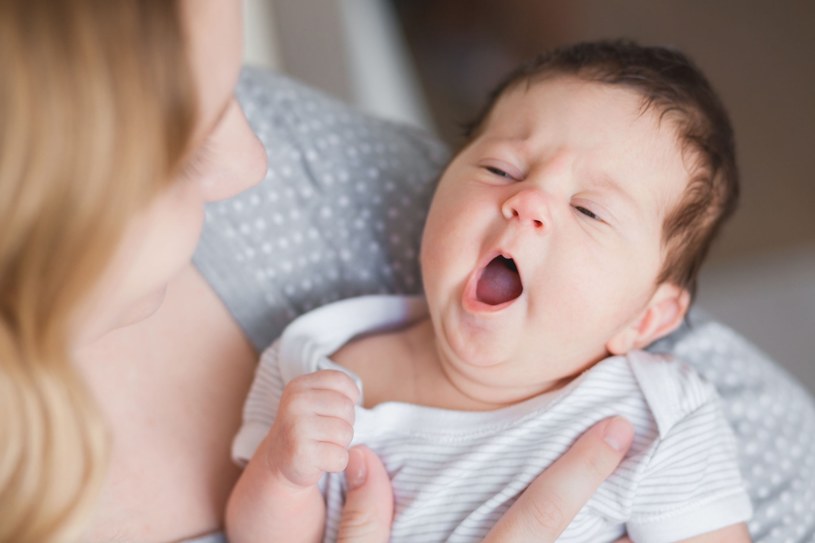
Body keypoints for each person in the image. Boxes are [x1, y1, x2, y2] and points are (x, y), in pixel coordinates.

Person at [0, 2, 649, 542]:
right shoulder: (324, 360)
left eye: (235, 88)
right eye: (184, 151)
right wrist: (284, 473)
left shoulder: (652, 399)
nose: (254, 164)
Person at [227, 41, 755, 542]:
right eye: (499, 169)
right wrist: (282, 473)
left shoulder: (656, 418)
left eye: (589, 209)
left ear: (644, 319)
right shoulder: (314, 365)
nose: (529, 201)